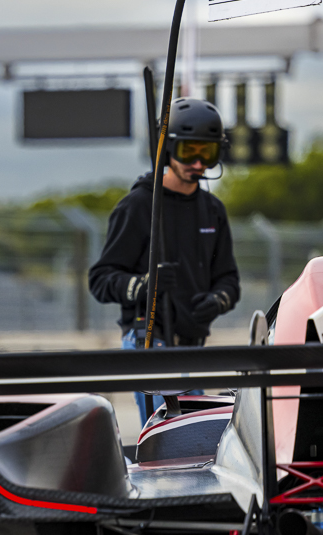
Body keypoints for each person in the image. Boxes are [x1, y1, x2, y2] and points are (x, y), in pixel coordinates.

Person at [88, 97, 241, 427]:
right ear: (168, 148)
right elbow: (100, 279)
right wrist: (144, 286)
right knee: (171, 440)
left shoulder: (213, 211)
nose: (199, 163)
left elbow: (229, 280)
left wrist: (217, 301)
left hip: (194, 349)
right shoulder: (139, 206)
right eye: (190, 152)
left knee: (200, 439)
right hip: (149, 344)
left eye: (208, 153)